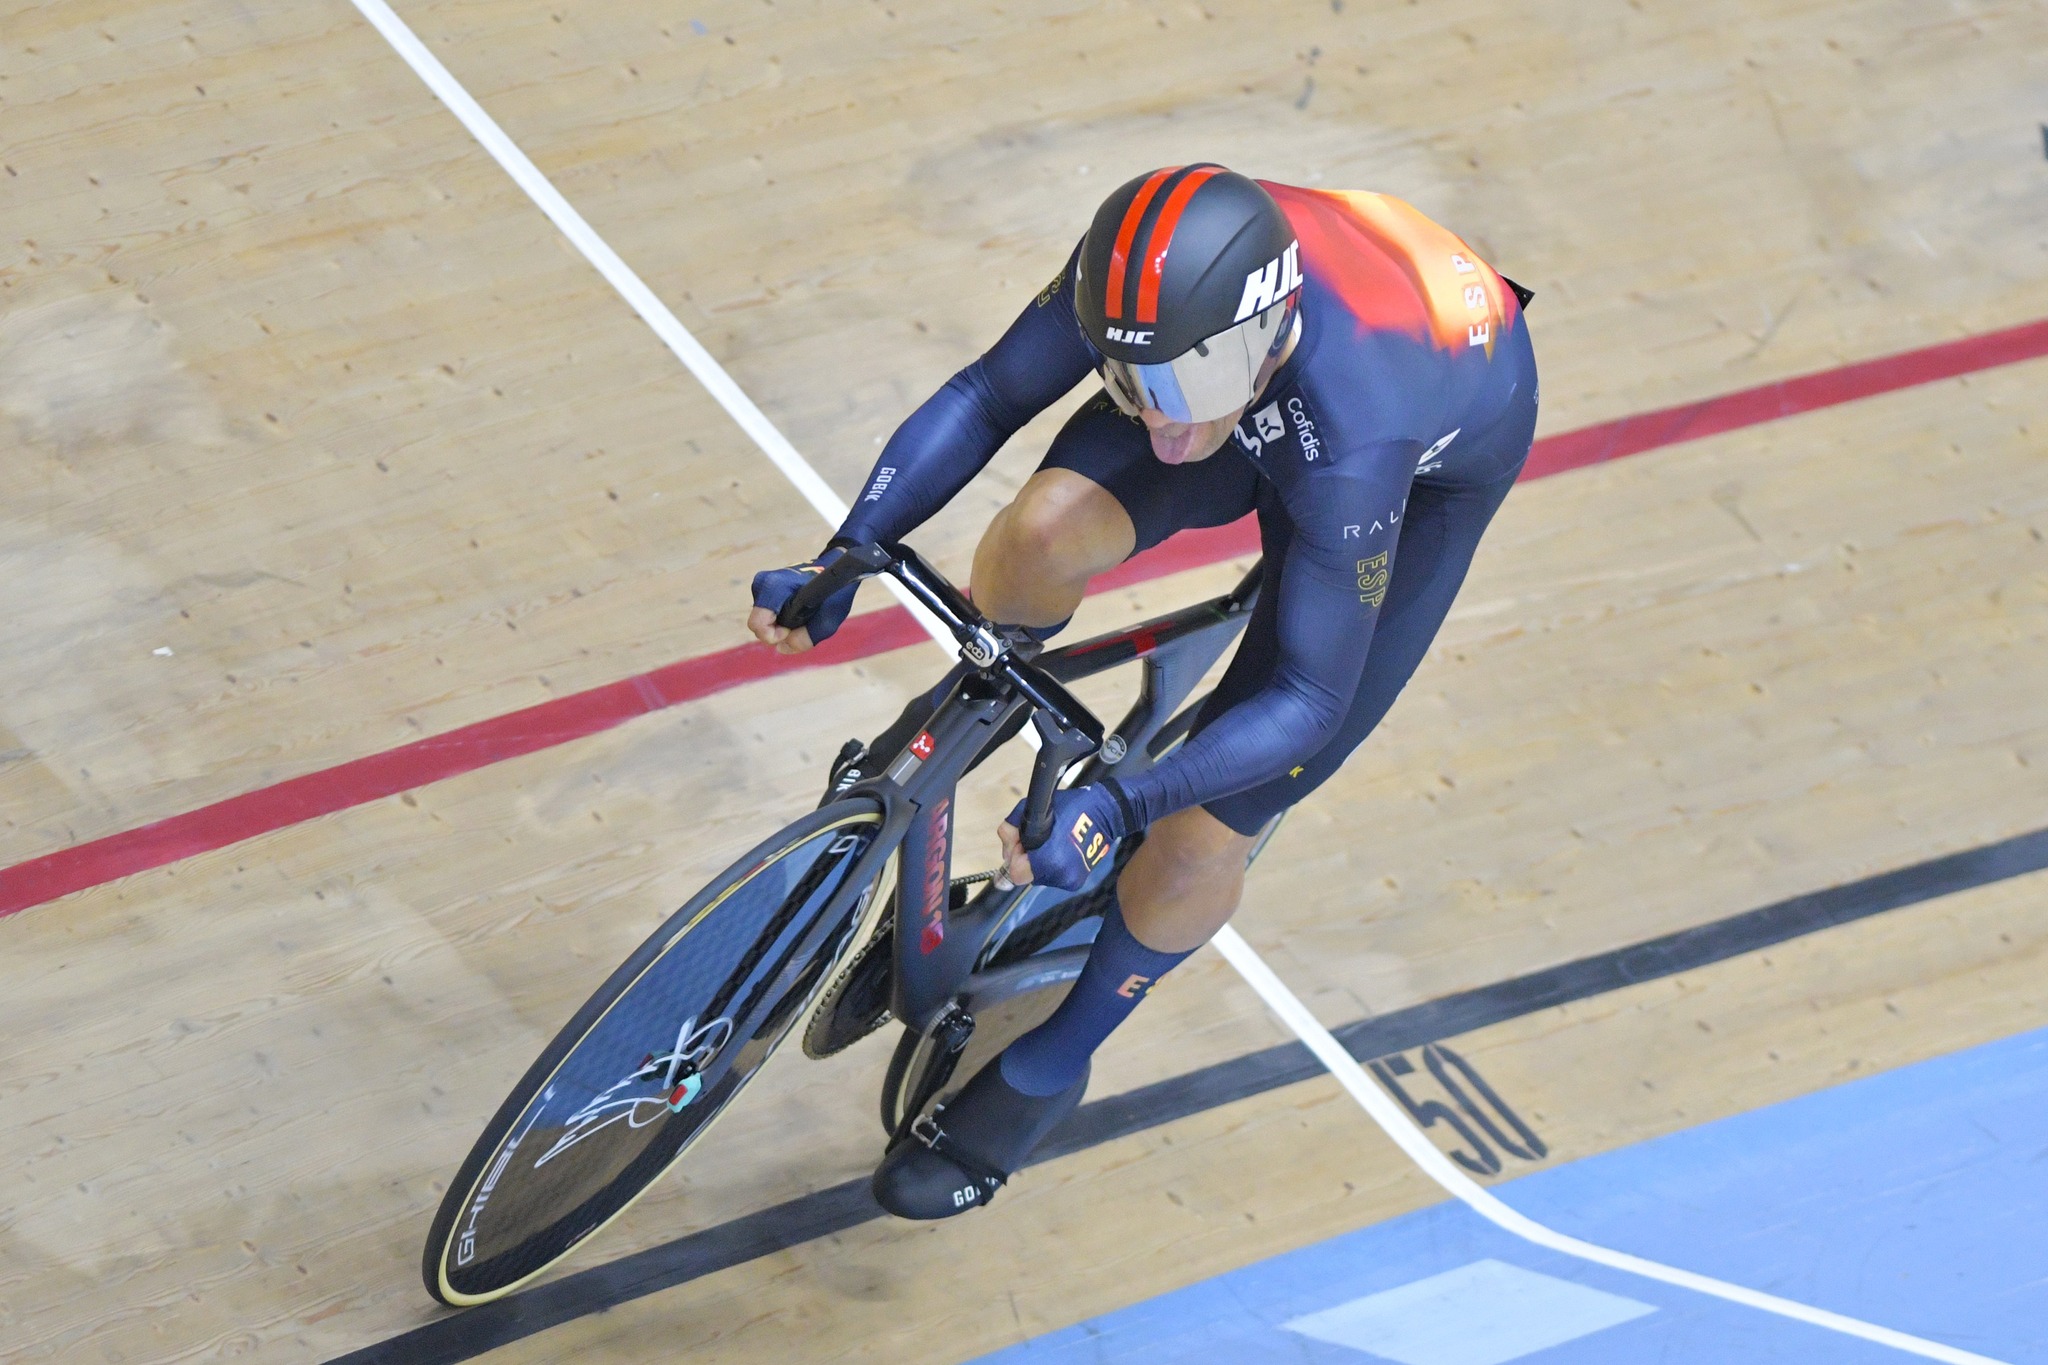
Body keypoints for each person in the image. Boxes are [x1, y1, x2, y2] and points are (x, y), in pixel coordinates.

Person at [749, 165, 1538, 1219]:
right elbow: (988, 394)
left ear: (1264, 332)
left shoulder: (1360, 429)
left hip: (1407, 450)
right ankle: (966, 726)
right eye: (1133, 388)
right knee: (1037, 533)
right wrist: (848, 549)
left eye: (1178, 395)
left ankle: (1046, 1070)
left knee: (1198, 835)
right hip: (1253, 368)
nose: (1161, 430)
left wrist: (1118, 805)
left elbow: (1307, 699)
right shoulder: (1134, 280)